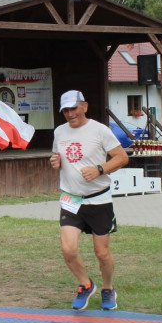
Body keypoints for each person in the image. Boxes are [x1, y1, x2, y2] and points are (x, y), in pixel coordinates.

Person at [49, 90, 129, 311]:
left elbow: (122, 158)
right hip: (71, 199)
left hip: (98, 199)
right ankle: (85, 285)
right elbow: (58, 157)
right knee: (68, 249)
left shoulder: (100, 130)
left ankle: (108, 289)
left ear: (84, 106)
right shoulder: (59, 132)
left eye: (73, 109)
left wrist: (100, 169)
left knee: (101, 253)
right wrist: (55, 162)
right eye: (66, 110)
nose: (70, 114)